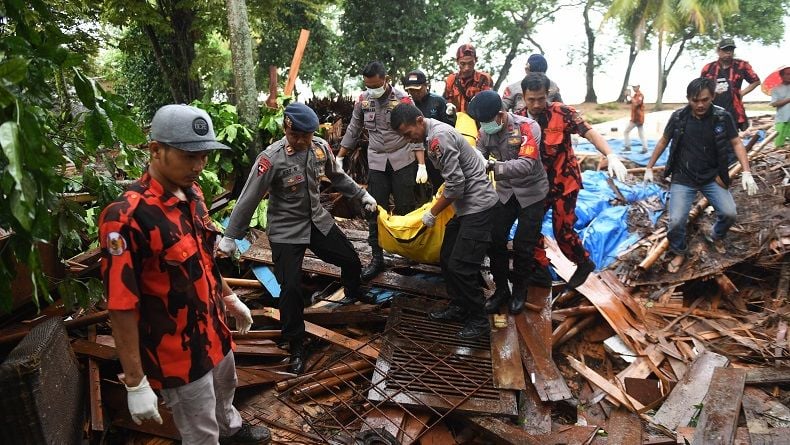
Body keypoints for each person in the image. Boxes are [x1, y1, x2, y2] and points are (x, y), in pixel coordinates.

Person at [99, 104, 271, 445]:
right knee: (200, 428)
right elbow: (121, 304)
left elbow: (203, 259)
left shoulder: (193, 195)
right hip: (176, 352)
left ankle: (232, 431)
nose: (199, 165)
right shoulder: (126, 217)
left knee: (225, 390)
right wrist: (135, 381)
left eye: (204, 156)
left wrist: (229, 298)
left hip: (214, 330)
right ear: (155, 150)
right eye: (189, 156)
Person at [218, 103, 377, 374]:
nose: (302, 141)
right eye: (296, 135)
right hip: (286, 230)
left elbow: (337, 177)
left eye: (307, 135)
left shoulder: (320, 148)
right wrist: (231, 236)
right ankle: (295, 343)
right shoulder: (271, 158)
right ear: (286, 128)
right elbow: (249, 197)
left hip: (316, 221)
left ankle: (353, 291)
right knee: (290, 289)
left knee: (350, 259)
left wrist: (361, 195)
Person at [390, 103, 499, 339]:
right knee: (447, 257)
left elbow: (456, 186)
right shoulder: (432, 135)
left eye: (408, 133)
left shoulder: (439, 137)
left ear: (419, 120)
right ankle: (460, 305)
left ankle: (479, 320)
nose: (409, 139)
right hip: (465, 208)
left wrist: (432, 213)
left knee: (462, 266)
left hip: (479, 207)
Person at [521, 72, 629, 288]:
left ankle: (583, 262)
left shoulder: (562, 113)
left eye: (541, 98)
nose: (537, 104)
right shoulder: (518, 119)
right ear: (523, 97)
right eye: (531, 99)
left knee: (562, 231)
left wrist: (610, 155)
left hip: (564, 182)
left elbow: (589, 132)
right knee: (529, 230)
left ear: (547, 94)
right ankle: (540, 270)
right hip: (537, 186)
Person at [644, 78, 758, 272]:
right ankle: (679, 250)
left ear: (713, 97)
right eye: (695, 100)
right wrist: (649, 166)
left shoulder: (722, 117)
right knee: (676, 221)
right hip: (683, 176)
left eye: (705, 100)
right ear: (688, 98)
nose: (700, 105)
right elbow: (663, 141)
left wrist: (747, 171)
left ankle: (715, 235)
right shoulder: (679, 117)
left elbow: (736, 142)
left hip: (712, 176)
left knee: (729, 213)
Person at [335, 61, 427, 281]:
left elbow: (416, 131)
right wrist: (340, 156)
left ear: (386, 80)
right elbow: (354, 128)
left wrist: (421, 164)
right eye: (368, 86)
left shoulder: (403, 99)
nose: (372, 90)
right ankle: (377, 257)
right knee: (374, 208)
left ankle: (408, 254)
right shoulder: (363, 100)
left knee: (405, 207)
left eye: (376, 85)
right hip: (377, 161)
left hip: (402, 159)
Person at [467, 91, 550, 315]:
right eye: (481, 122)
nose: (484, 126)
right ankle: (501, 289)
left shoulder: (528, 128)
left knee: (524, 245)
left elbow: (526, 165)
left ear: (501, 115)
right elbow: (478, 155)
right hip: (505, 193)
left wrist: (491, 166)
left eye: (487, 121)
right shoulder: (485, 131)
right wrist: (475, 160)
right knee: (495, 239)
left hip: (532, 193)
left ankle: (520, 290)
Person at [403, 69, 456, 190]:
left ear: (425, 86)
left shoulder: (438, 101)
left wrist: (452, 116)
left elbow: (448, 128)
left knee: (442, 185)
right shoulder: (407, 105)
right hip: (415, 154)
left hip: (438, 152)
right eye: (411, 90)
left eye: (417, 89)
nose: (414, 93)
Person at [701, 38, 761, 131]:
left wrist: (742, 93)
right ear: (718, 51)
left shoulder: (741, 65)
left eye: (731, 50)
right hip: (713, 108)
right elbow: (701, 86)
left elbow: (756, 81)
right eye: (725, 50)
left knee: (735, 135)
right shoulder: (709, 68)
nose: (728, 53)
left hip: (734, 109)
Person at [444, 43, 493, 113]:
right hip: (456, 118)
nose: (467, 68)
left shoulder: (484, 78)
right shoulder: (451, 79)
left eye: (470, 63)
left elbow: (488, 103)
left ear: (476, 60)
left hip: (477, 117)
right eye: (463, 64)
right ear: (457, 62)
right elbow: (446, 100)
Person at [623, 84, 648, 153]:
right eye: (633, 87)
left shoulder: (640, 95)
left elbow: (636, 104)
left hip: (638, 118)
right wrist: (626, 96)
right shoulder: (635, 95)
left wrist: (630, 96)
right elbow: (628, 103)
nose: (633, 88)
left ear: (638, 87)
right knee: (640, 134)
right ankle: (645, 148)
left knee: (626, 132)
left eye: (634, 87)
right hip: (635, 118)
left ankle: (628, 147)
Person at [770, 66, 790, 147]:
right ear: (781, 75)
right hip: (782, 119)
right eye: (788, 74)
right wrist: (788, 100)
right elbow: (774, 104)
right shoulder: (776, 89)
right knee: (779, 143)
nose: (789, 76)